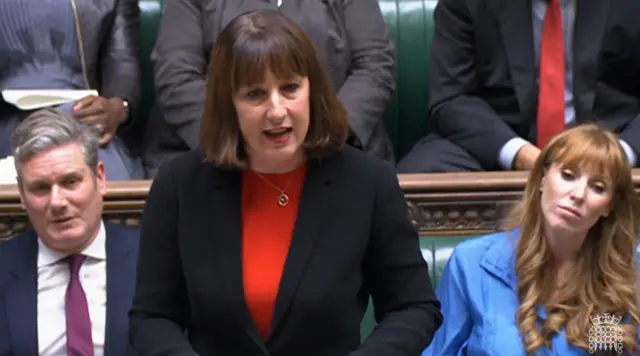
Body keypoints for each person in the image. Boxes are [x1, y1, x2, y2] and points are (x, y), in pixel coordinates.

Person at [129, 10, 442, 356]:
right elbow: (152, 318)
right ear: (228, 104)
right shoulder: (179, 186)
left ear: (312, 90)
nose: (277, 110)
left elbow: (413, 308)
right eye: (255, 94)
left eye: (290, 88)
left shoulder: (368, 183)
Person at [423, 124, 640, 355]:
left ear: (608, 206)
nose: (578, 194)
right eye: (568, 175)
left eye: (598, 187)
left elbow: (612, 349)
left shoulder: (622, 281)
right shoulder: (472, 265)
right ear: (543, 179)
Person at [142, 0, 396, 178]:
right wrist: (241, 140)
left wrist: (325, 133)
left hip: (333, 146)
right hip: (221, 154)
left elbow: (374, 65)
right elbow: (177, 76)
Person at [397, 0, 640, 173]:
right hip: (501, 141)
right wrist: (520, 154)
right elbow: (451, 99)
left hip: (612, 141)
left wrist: (618, 156)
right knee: (420, 171)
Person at [0, 108, 140, 355]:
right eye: (40, 188)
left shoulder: (151, 259)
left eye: (71, 182)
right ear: (21, 195)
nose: (57, 202)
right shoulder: (4, 266)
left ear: (100, 178)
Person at [0, 0, 144, 180]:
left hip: (85, 115)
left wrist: (119, 107)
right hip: (8, 118)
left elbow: (122, 61)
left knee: (84, 138)